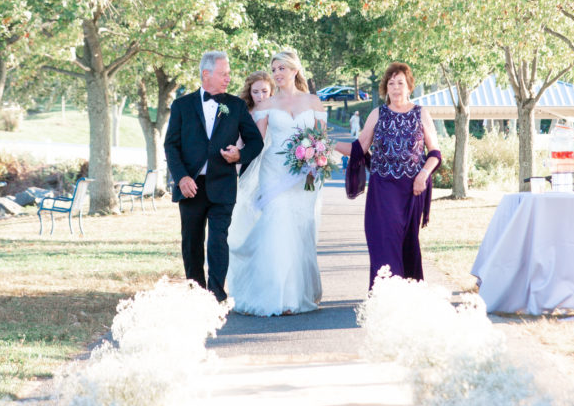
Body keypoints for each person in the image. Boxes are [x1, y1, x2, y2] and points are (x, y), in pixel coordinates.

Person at [227, 48, 325, 316]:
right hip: (273, 172)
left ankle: (296, 294)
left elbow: (320, 140)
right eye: (274, 70)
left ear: (294, 70)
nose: (277, 74)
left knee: (299, 229)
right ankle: (277, 297)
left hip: (304, 175)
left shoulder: (313, 102)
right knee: (278, 224)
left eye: (281, 68)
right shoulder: (266, 106)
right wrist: (236, 154)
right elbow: (256, 142)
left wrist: (314, 162)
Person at [164, 51, 264, 302]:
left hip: (223, 185)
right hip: (191, 186)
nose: (228, 78)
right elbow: (171, 146)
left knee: (218, 241)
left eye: (229, 74)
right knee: (191, 243)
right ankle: (196, 296)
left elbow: (256, 142)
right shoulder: (181, 105)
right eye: (224, 74)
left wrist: (239, 155)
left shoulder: (236, 106)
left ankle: (216, 296)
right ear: (206, 74)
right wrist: (182, 178)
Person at [335, 62, 442, 288]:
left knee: (408, 243)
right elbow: (359, 148)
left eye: (400, 83)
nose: (395, 88)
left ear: (409, 86)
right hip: (382, 189)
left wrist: (423, 175)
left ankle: (409, 295)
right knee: (383, 241)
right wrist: (329, 144)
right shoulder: (377, 113)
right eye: (391, 83)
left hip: (412, 189)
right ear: (385, 87)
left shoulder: (421, 113)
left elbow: (435, 153)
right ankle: (386, 295)